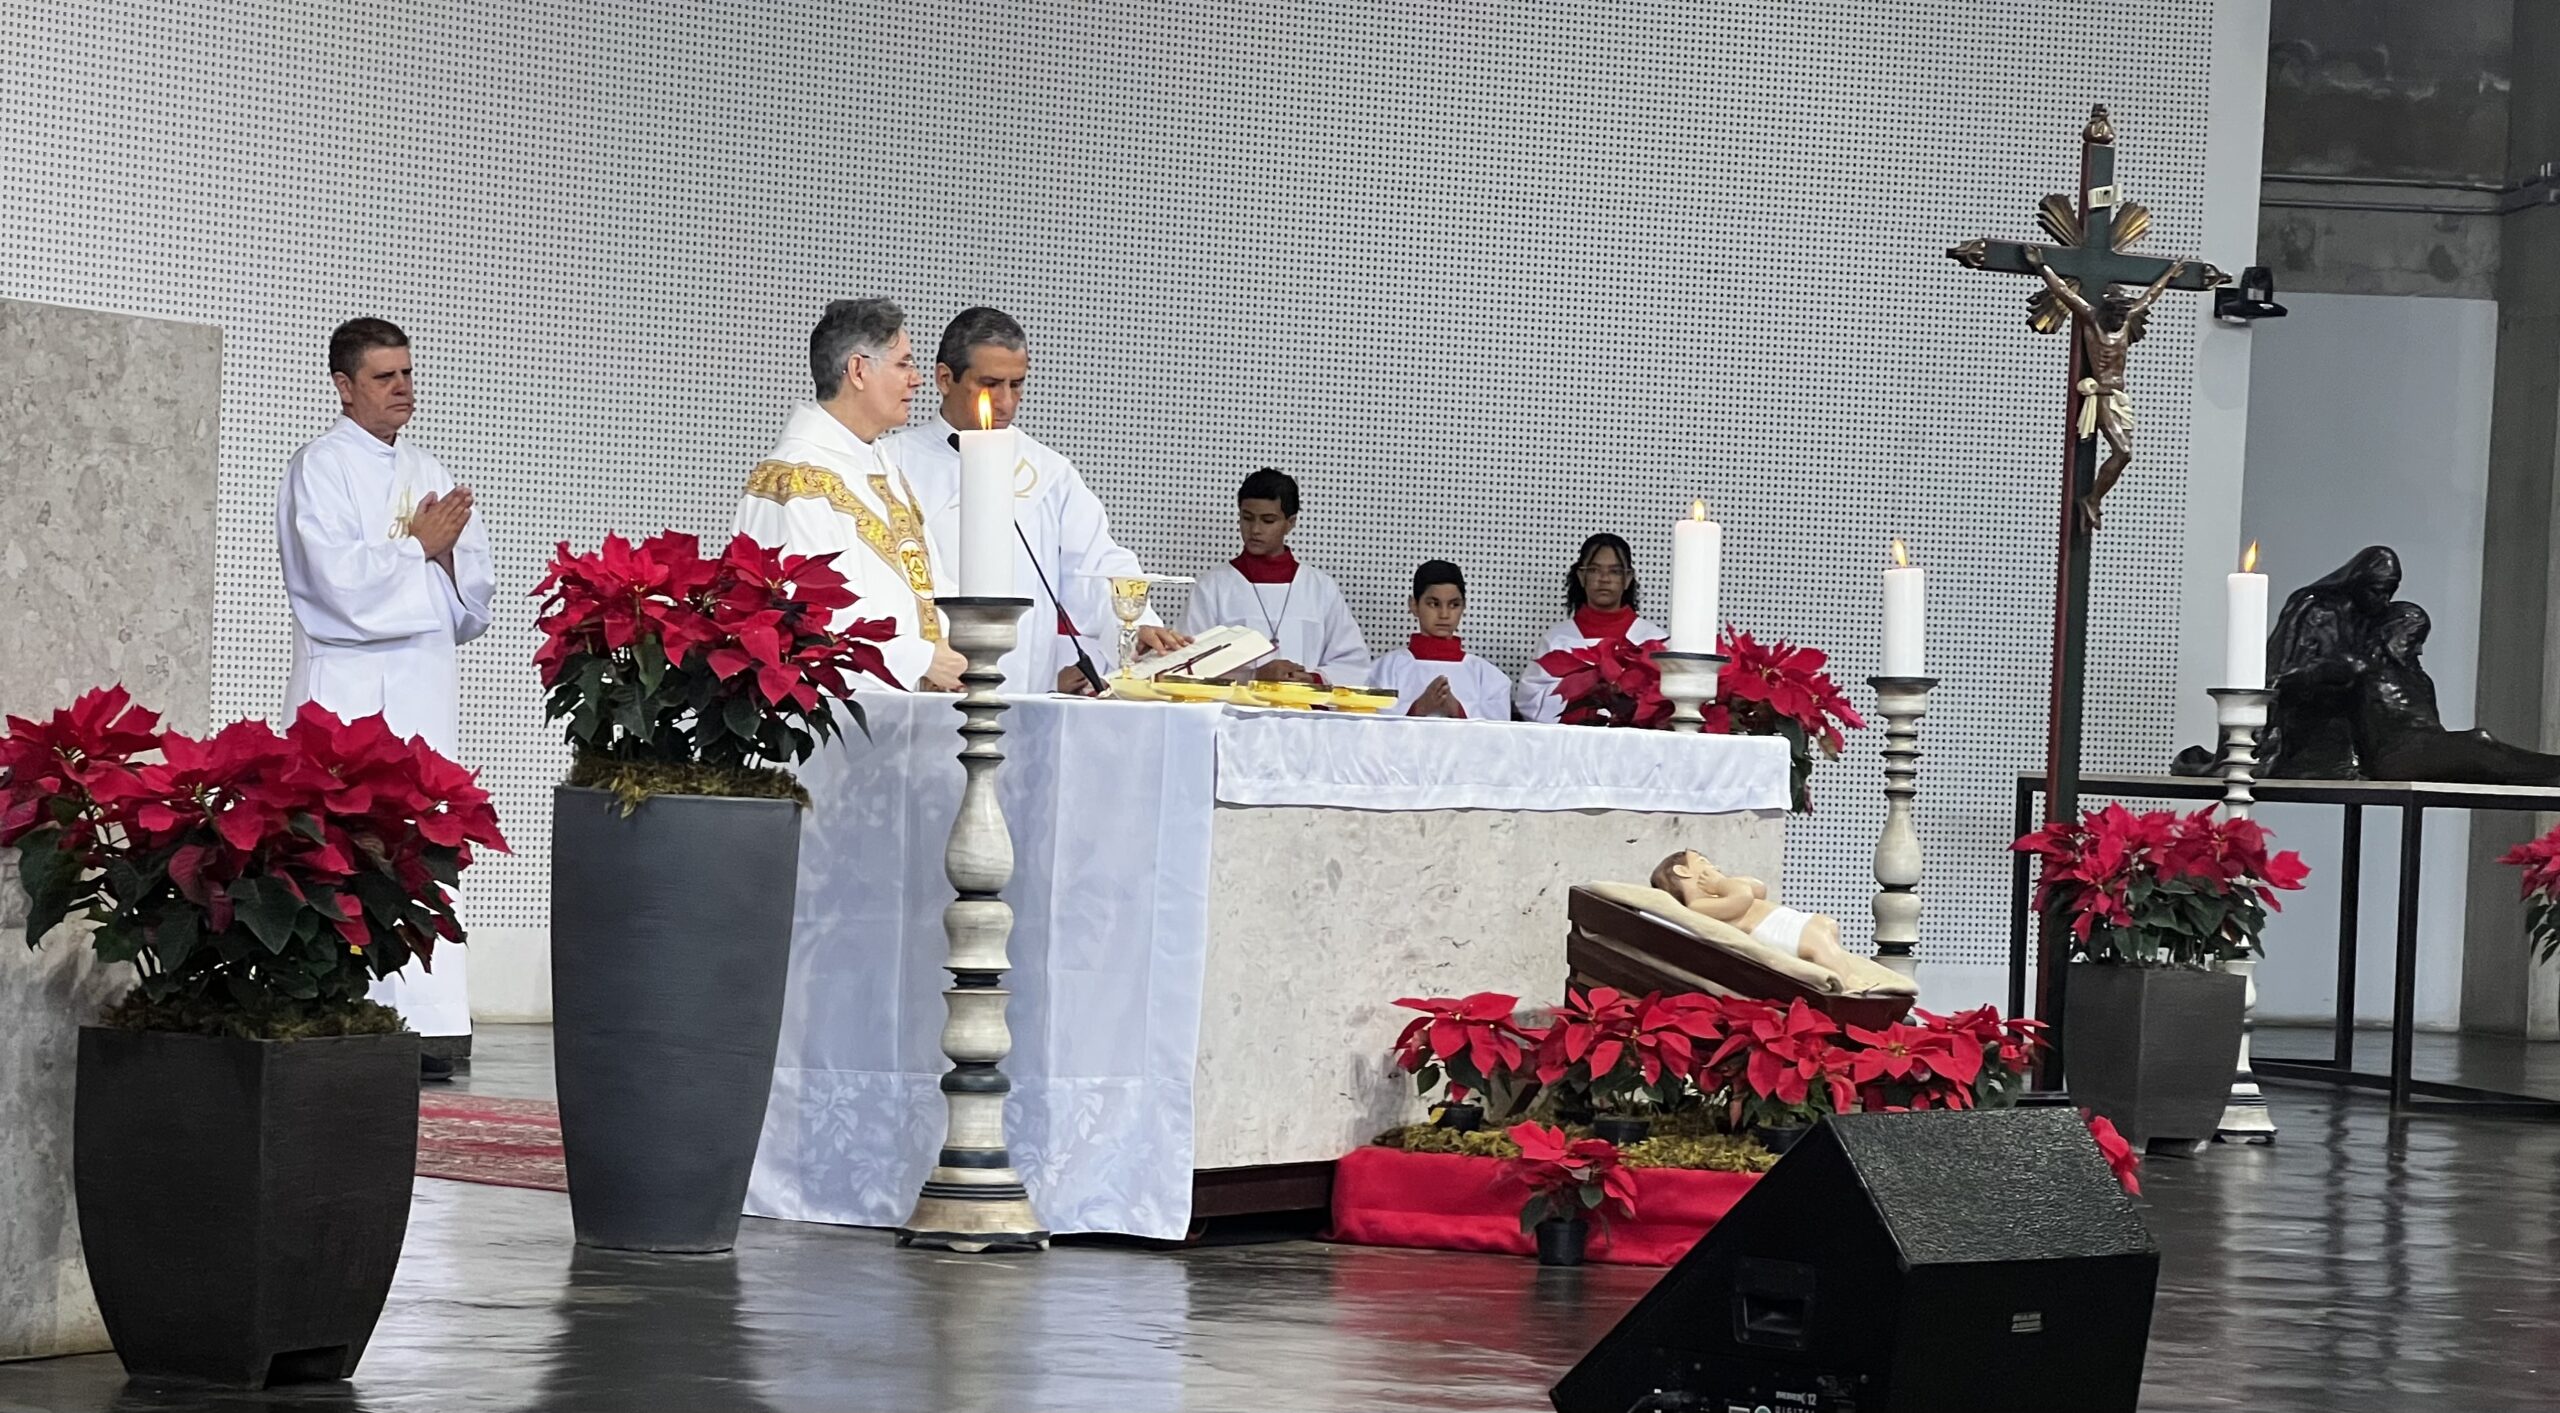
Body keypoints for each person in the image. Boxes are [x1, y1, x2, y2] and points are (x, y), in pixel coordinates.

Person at [277, 317, 495, 1080]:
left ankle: (430, 1021)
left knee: (420, 839)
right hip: (348, 687)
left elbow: (472, 601)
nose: (403, 388)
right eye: (384, 377)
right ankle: (343, 1001)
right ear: (343, 385)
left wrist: (441, 556)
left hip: (422, 684)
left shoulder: (428, 468)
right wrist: (417, 550)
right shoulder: (319, 468)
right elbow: (333, 584)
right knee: (345, 842)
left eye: (407, 373)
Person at [885, 307, 1185, 692]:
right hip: (928, 686)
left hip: (1022, 686)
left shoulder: (1046, 471)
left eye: (1017, 384)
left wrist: (1137, 623)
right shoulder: (892, 463)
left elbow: (1094, 564)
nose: (1007, 402)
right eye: (990, 384)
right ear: (945, 378)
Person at [733, 299, 965, 693]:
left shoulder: (881, 468)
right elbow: (802, 615)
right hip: (841, 720)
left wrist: (959, 647)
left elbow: (931, 588)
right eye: (904, 363)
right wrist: (921, 659)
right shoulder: (796, 477)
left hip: (917, 709)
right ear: (858, 370)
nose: (918, 379)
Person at [1179, 468, 1370, 684]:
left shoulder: (1319, 588)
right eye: (1247, 518)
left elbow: (1352, 663)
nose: (1255, 530)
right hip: (1234, 715)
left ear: (1290, 523)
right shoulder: (1213, 586)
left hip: (1303, 713)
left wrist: (1313, 678)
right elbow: (1188, 665)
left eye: (1268, 520)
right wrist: (1252, 677)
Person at [1513, 533, 1667, 723]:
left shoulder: (1654, 640)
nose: (1604, 579)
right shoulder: (1557, 639)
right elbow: (1530, 701)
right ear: (1581, 576)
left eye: (1614, 571)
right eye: (1594, 570)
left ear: (1628, 578)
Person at [1363, 560, 1511, 719]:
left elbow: (1500, 736)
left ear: (1464, 607)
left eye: (1454, 604)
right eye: (1434, 604)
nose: (1444, 614)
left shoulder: (1488, 678)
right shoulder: (1384, 671)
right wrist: (1417, 708)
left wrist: (1458, 710)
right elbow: (1370, 731)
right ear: (1413, 605)